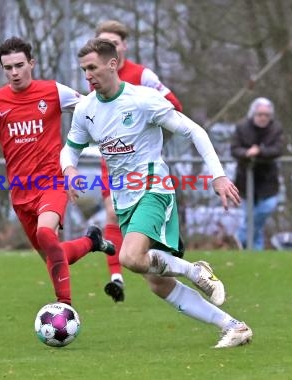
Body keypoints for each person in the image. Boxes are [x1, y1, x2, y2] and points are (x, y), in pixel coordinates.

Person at [60, 38, 253, 348]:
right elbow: (70, 149)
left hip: (153, 187)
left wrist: (218, 175)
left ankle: (195, 270)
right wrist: (69, 169)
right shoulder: (85, 110)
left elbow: (194, 131)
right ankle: (233, 326)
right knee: (157, 283)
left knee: (129, 257)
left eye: (92, 68)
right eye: (84, 70)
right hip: (124, 199)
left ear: (113, 64)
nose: (88, 76)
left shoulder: (143, 100)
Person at [0, 36, 115, 307]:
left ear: (31, 63)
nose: (14, 72)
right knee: (54, 257)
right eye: (7, 68)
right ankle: (92, 242)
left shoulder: (54, 92)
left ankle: (63, 307)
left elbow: (89, 107)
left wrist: (106, 132)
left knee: (47, 235)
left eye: (19, 65)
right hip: (20, 193)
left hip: (52, 182)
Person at [94, 20, 184, 303]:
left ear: (124, 47)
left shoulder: (142, 76)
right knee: (111, 213)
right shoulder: (95, 77)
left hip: (143, 166)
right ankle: (116, 277)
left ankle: (165, 256)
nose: (109, 48)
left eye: (114, 43)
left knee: (149, 267)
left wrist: (154, 134)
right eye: (102, 43)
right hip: (112, 161)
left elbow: (175, 107)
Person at [231, 97, 283, 250]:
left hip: (268, 179)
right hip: (246, 178)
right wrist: (247, 153)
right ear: (253, 114)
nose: (263, 117)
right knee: (250, 215)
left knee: (267, 208)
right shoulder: (241, 127)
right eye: (260, 114)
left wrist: (260, 151)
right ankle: (256, 249)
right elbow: (234, 149)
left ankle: (241, 235)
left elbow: (278, 150)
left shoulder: (276, 129)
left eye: (266, 115)